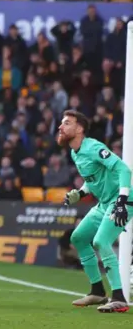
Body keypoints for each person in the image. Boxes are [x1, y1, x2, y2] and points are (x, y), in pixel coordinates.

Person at [58, 110, 132, 313]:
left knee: (101, 241)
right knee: (79, 237)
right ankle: (97, 291)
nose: (60, 127)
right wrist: (80, 193)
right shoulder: (75, 152)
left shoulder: (94, 147)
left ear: (79, 128)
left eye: (66, 123)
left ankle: (119, 297)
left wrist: (122, 199)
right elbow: (93, 179)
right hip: (105, 203)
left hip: (122, 200)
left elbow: (124, 170)